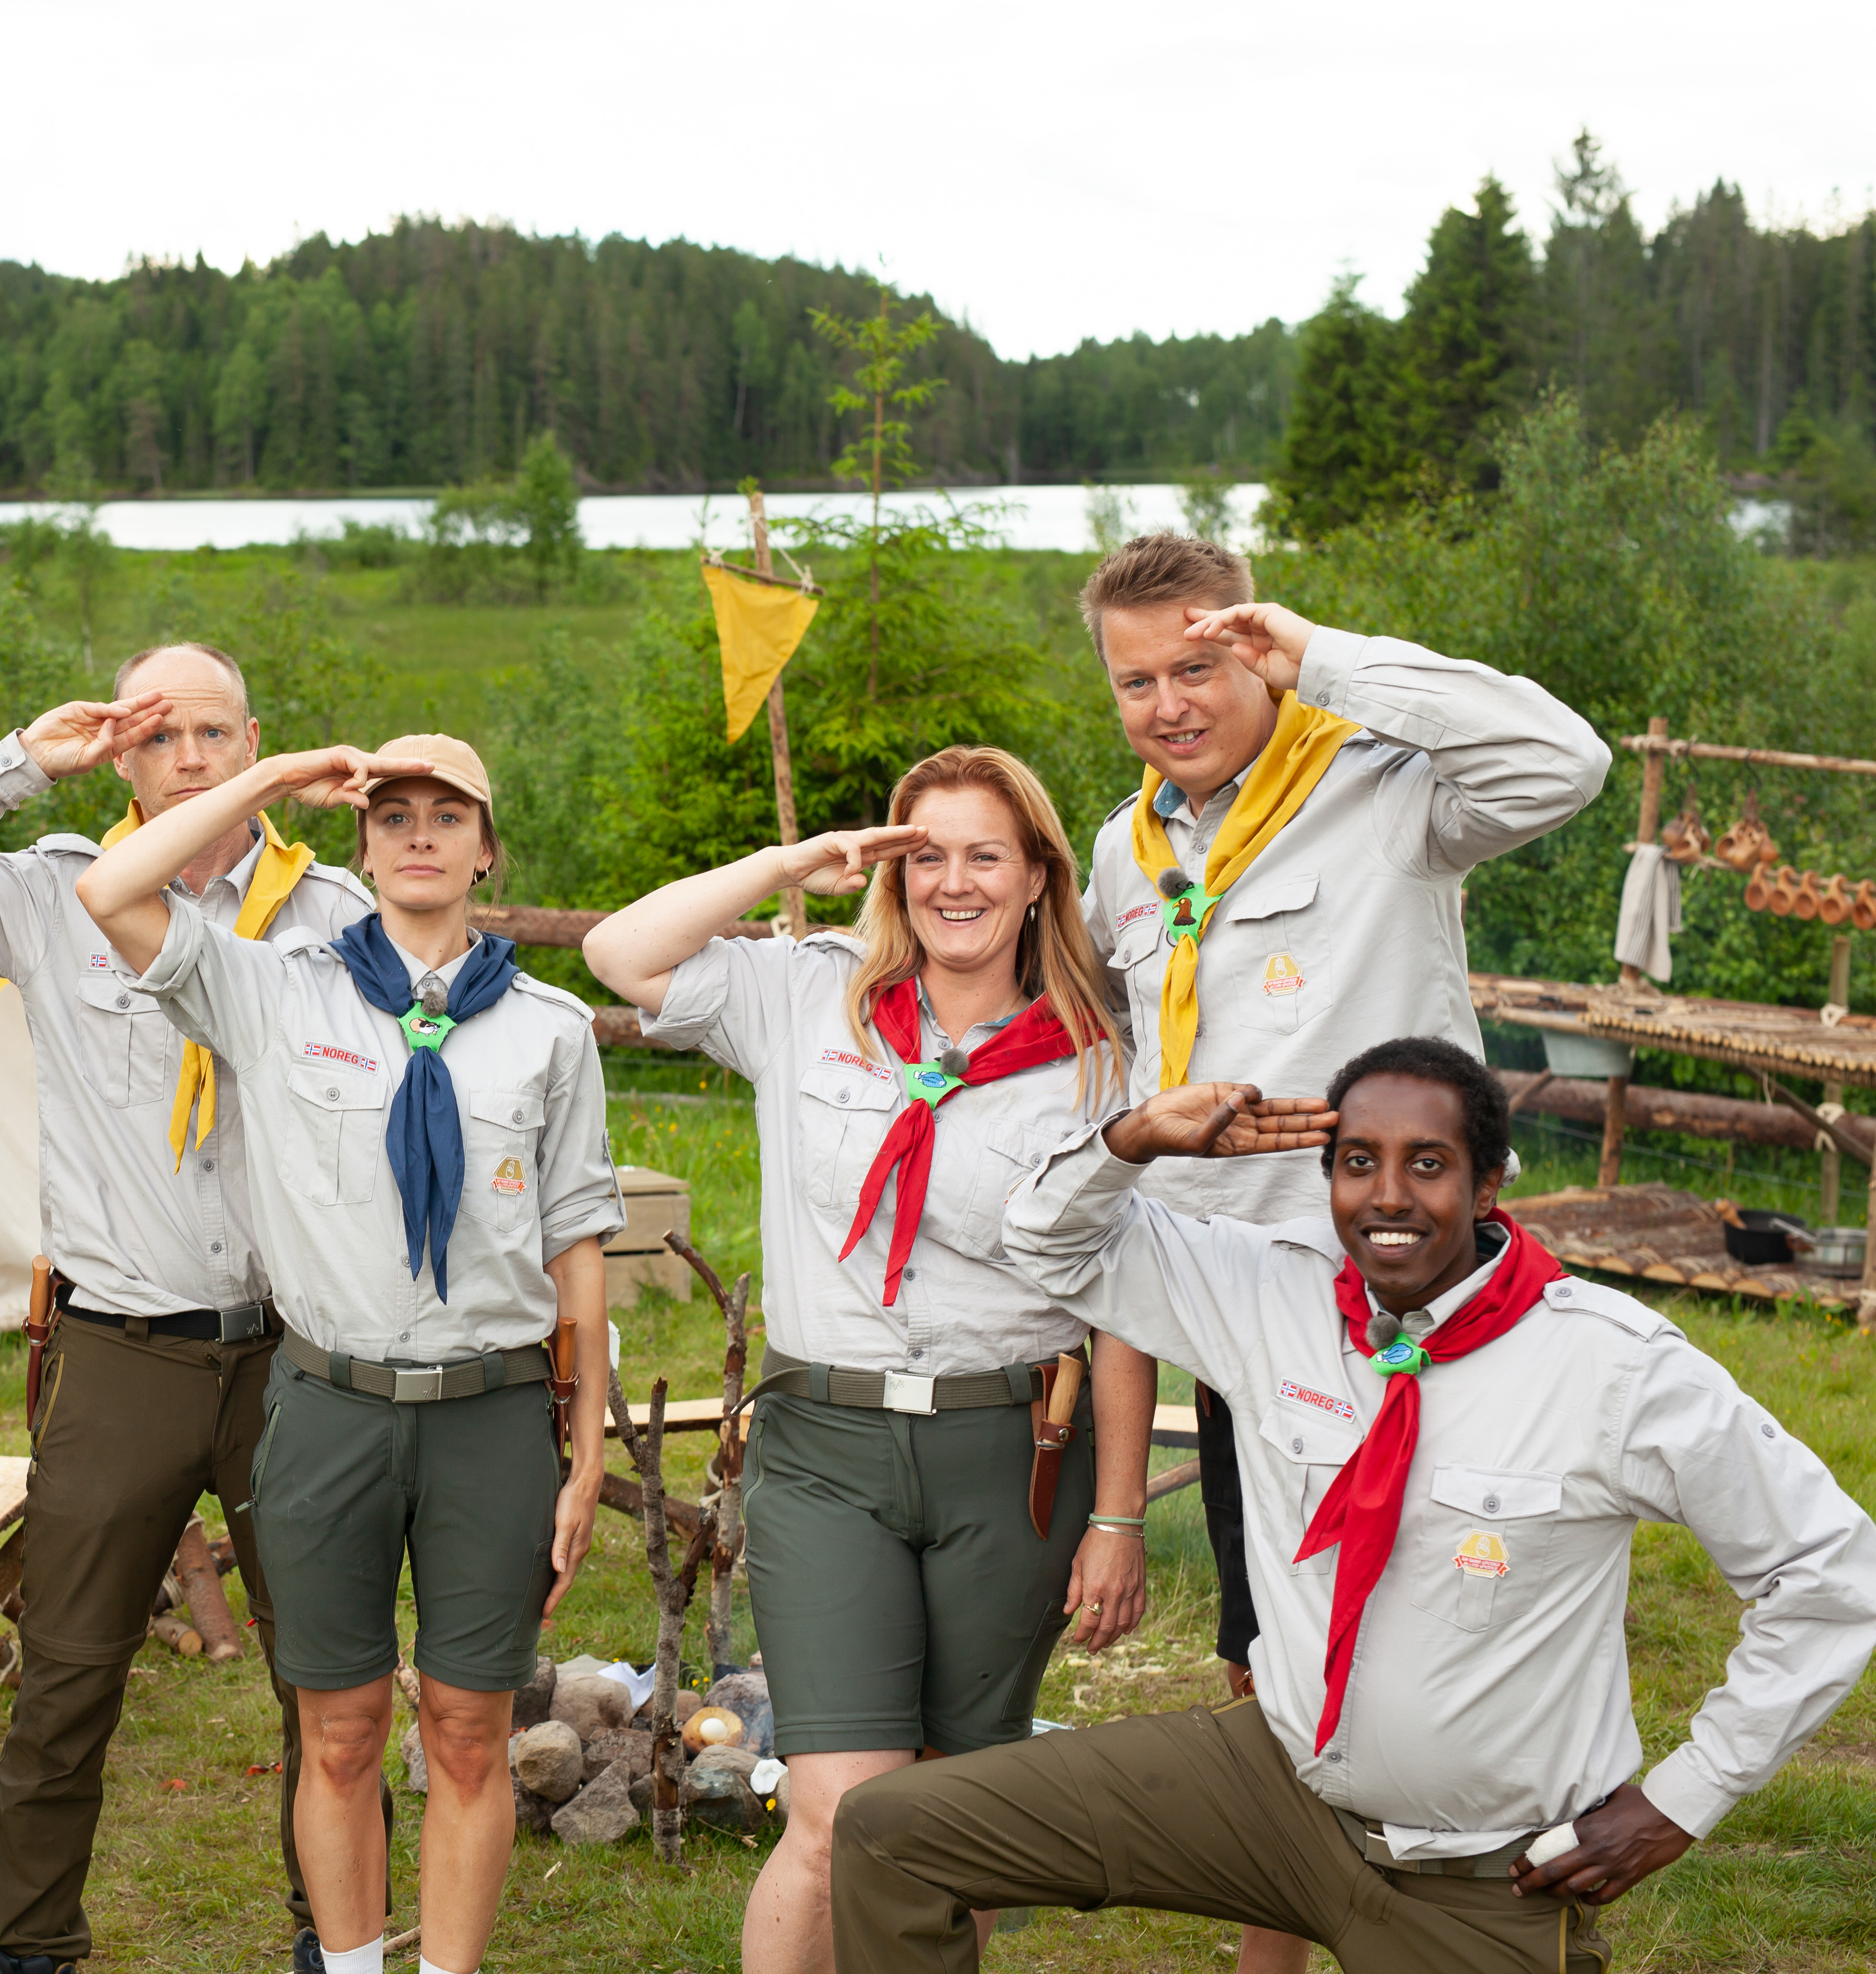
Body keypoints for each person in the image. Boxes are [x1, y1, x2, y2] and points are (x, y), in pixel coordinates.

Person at [825, 1039, 1876, 1973]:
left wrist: (1680, 1803)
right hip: (1273, 1791)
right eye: (1357, 1163)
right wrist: (1136, 1137)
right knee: (893, 1833)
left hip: (1478, 1878)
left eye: (1429, 1165)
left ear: (1491, 1186)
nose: (1388, 1197)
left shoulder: (1612, 1366)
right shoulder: (1270, 1297)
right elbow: (1049, 1243)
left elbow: (1833, 1577)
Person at [1074, 535, 1611, 1974]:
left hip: (1419, 1303)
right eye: (1137, 681)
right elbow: (1095, 1043)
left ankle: (1510, 1923)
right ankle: (1290, 1953)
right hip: (1248, 1326)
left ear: (1251, 645)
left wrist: (1327, 657)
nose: (1171, 703)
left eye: (1201, 664)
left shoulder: (1380, 791)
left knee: (1463, 1630)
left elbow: (1564, 760)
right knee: (1280, 1663)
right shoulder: (1124, 852)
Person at [0, 641, 386, 1974]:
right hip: (121, 1347)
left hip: (293, 1354)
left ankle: (334, 1937)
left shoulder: (336, 914)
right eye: (158, 739)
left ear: (256, 745)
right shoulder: (47, 897)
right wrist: (24, 762)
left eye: (212, 735)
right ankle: (33, 1951)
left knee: (324, 1679)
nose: (189, 760)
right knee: (70, 1678)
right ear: (122, 755)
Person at [584, 746, 1151, 1974]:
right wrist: (790, 865)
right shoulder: (810, 994)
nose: (956, 883)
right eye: (927, 855)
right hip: (829, 1446)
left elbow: (1125, 1297)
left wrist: (1118, 1518)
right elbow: (619, 957)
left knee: (964, 1805)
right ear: (892, 874)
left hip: (1016, 1452)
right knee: (839, 1805)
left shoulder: (1103, 1055)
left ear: (1041, 877)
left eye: (986, 855)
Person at [75, 733, 621, 1974]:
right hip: (329, 1404)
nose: (419, 834)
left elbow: (579, 1236)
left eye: (448, 815)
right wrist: (267, 783)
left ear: (488, 848)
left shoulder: (550, 1029)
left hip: (491, 1414)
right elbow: (109, 891)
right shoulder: (276, 992)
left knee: (472, 1729)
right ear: (363, 843)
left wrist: (585, 1452)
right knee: (340, 1728)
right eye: (393, 816)